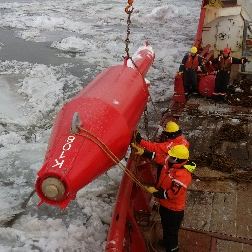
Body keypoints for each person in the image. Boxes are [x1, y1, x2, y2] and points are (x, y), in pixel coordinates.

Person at [131, 144, 196, 252]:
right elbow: (158, 157)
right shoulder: (171, 162)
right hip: (165, 206)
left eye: (171, 156)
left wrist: (156, 193)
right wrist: (143, 152)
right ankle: (166, 243)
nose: (168, 157)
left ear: (177, 159)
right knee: (166, 226)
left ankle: (173, 249)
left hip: (174, 210)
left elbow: (172, 194)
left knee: (171, 232)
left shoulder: (182, 176)